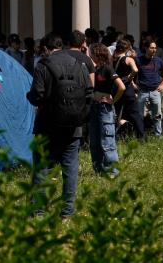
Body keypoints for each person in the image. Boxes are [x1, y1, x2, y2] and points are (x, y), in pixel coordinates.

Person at [27, 33, 93, 218]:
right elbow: (89, 93)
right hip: (73, 127)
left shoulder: (43, 65)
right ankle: (67, 213)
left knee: (42, 168)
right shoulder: (79, 65)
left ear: (46, 49)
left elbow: (37, 95)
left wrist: (29, 96)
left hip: (47, 126)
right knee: (70, 169)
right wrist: (80, 117)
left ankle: (38, 212)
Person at [88, 43, 125, 176]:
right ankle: (99, 169)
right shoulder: (94, 69)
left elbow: (121, 87)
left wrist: (112, 100)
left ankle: (113, 171)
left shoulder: (107, 69)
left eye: (90, 52)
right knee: (95, 140)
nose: (89, 55)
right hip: (94, 107)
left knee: (107, 140)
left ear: (97, 54)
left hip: (105, 108)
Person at [136, 40, 163, 138]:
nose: (154, 50)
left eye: (155, 48)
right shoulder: (138, 60)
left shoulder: (159, 60)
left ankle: (158, 136)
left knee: (157, 115)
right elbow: (132, 72)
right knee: (140, 116)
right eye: (152, 48)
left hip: (155, 91)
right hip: (142, 91)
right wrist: (134, 84)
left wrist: (162, 84)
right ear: (146, 48)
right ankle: (140, 136)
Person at [113, 39, 144, 140]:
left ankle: (114, 136)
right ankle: (141, 137)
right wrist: (130, 77)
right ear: (127, 48)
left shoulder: (112, 59)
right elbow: (135, 70)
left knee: (116, 113)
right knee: (135, 114)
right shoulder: (128, 59)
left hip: (116, 89)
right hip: (127, 90)